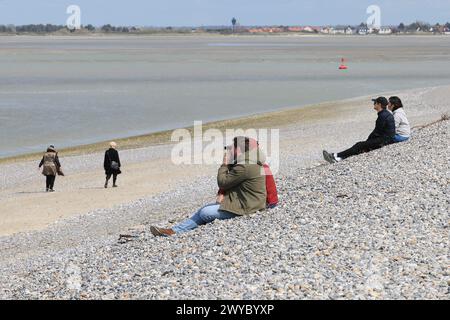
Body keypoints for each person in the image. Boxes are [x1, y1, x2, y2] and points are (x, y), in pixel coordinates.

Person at [150, 136, 267, 237]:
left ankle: (175, 231)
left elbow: (223, 182)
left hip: (247, 207)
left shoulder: (245, 166)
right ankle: (174, 231)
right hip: (252, 203)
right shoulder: (252, 162)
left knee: (205, 213)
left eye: (232, 148)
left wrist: (224, 164)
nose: (230, 150)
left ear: (238, 149)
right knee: (204, 209)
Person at [323, 97, 395, 163]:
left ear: (379, 104)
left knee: (359, 145)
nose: (373, 104)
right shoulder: (385, 114)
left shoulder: (382, 116)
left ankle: (335, 155)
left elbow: (377, 132)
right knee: (361, 146)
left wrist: (368, 141)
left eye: (375, 103)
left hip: (384, 140)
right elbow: (379, 131)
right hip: (386, 139)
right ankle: (338, 158)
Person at [217, 138, 278, 209]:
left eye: (232, 149)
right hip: (272, 201)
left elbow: (226, 182)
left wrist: (226, 164)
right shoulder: (263, 165)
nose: (230, 151)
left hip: (267, 203)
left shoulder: (250, 167)